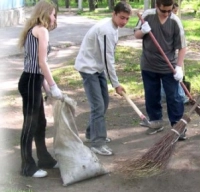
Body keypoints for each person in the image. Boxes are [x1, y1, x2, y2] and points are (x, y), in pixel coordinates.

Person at [74, 1, 132, 156]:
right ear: (114, 14)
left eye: (127, 19)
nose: (124, 22)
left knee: (104, 102)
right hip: (88, 68)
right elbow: (108, 60)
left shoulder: (114, 28)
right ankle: (97, 143)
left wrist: (113, 82)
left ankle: (90, 133)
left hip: (97, 68)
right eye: (122, 18)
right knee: (98, 106)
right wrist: (116, 84)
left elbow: (108, 57)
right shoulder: (105, 29)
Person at [17, 0, 61, 178]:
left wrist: (46, 88)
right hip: (30, 82)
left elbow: (36, 65)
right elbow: (42, 62)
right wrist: (53, 86)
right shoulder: (41, 30)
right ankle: (27, 166)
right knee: (30, 125)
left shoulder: (33, 29)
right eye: (53, 14)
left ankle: (44, 159)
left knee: (40, 123)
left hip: (33, 80)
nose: (54, 18)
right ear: (45, 13)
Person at [134, 0, 187, 139]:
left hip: (168, 66)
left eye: (169, 11)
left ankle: (178, 126)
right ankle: (156, 122)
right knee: (152, 95)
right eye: (163, 11)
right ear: (157, 6)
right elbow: (136, 35)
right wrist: (143, 31)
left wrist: (179, 67)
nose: (167, 14)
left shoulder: (175, 21)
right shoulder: (147, 15)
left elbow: (182, 47)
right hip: (148, 64)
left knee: (174, 97)